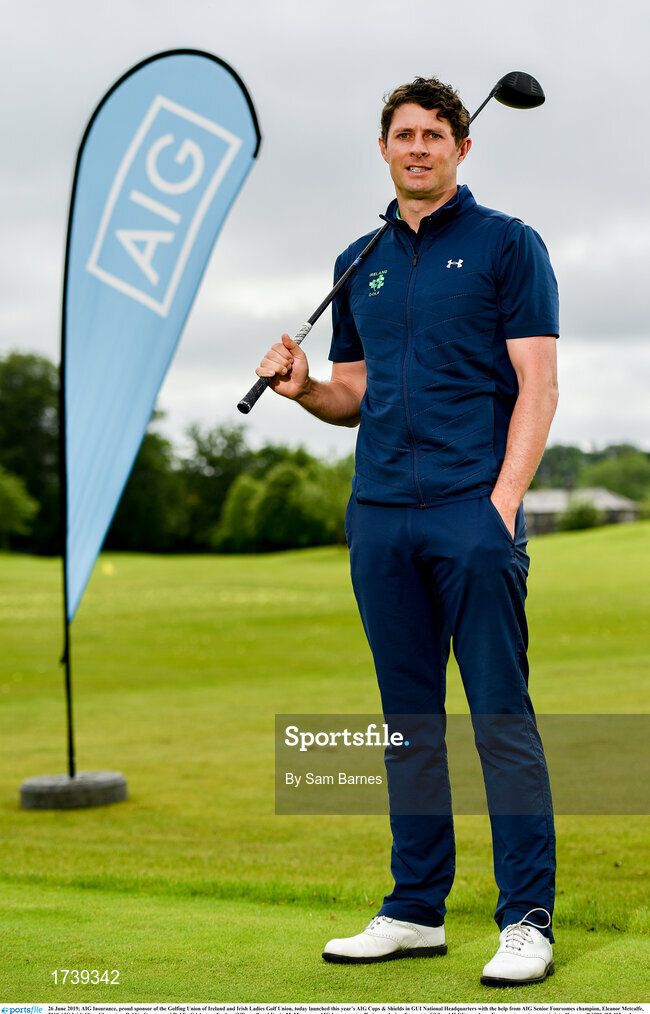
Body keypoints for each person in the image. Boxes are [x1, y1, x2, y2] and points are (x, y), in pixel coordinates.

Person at [256, 76, 559, 988]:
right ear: (383, 148)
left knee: (500, 718)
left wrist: (503, 504)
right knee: (407, 724)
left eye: (436, 134)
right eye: (404, 134)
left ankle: (527, 920)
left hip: (473, 509)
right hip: (380, 516)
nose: (419, 147)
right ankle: (415, 909)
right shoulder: (360, 260)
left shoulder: (509, 245)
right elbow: (355, 394)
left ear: (464, 149)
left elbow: (537, 387)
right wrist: (305, 387)